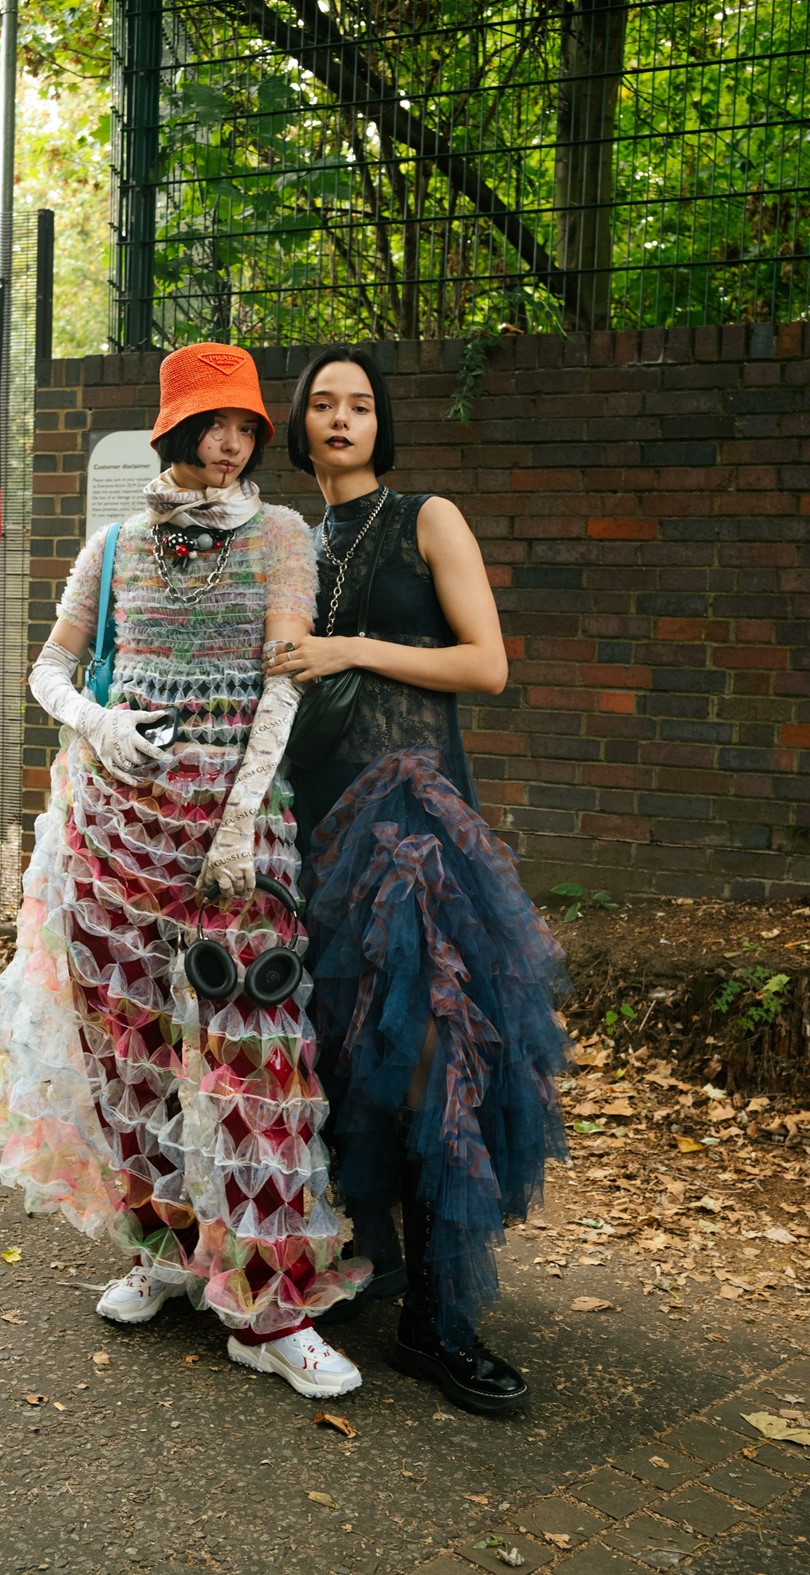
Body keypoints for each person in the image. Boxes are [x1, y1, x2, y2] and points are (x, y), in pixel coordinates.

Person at [0, 343, 368, 1400]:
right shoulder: (116, 542)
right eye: (213, 424)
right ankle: (162, 1250)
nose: (233, 444)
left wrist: (241, 824)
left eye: (245, 427)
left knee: (255, 1058)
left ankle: (268, 1310)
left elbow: (282, 683)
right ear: (175, 430)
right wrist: (97, 720)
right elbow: (49, 669)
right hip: (113, 833)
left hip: (232, 837)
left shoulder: (282, 535)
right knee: (131, 1056)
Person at [268, 344, 571, 1415]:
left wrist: (351, 648)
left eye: (359, 404)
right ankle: (383, 1271)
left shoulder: (427, 515)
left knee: (436, 1057)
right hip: (317, 831)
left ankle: (441, 1323)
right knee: (350, 1061)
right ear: (298, 425)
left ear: (379, 423)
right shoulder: (295, 542)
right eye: (321, 404)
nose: (341, 418)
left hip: (416, 830)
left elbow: (485, 664)